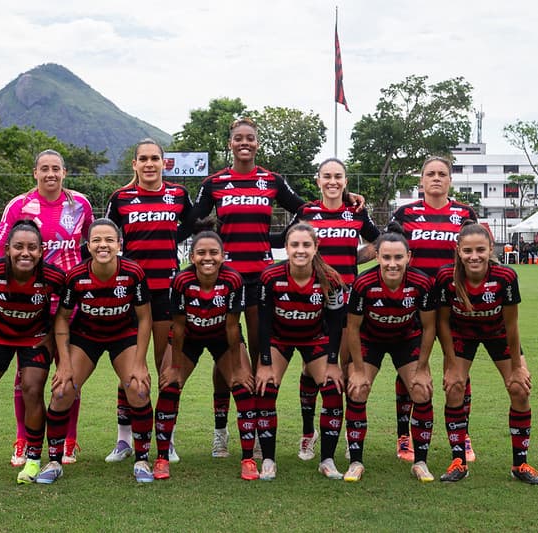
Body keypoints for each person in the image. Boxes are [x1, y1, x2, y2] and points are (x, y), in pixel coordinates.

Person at [188, 117, 363, 457]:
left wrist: (346, 197)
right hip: (224, 278)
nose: (244, 143)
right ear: (230, 143)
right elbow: (193, 219)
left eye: (250, 138)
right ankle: (221, 430)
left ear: (257, 143)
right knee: (226, 352)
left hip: (258, 279)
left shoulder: (272, 180)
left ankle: (252, 435)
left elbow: (306, 212)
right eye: (238, 138)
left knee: (256, 358)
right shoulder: (215, 183)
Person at [0, 149, 94, 467]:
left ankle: (68, 440)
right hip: (28, 300)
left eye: (56, 169)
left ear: (65, 172)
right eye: (44, 169)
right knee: (26, 377)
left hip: (68, 301)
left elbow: (88, 244)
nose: (51, 174)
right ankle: (23, 439)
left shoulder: (81, 204)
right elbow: (1, 243)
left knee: (69, 373)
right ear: (35, 173)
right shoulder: (19, 204)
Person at [272, 158, 379, 461]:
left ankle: (346, 434)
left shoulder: (356, 211)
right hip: (309, 301)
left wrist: (353, 259)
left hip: (344, 303)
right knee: (309, 369)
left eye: (338, 177)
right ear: (318, 180)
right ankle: (309, 433)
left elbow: (380, 241)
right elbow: (284, 241)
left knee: (340, 371)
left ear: (346, 181)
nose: (332, 181)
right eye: (327, 176)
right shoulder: (307, 212)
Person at [36, 219, 154, 484]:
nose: (103, 245)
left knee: (138, 388)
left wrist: (140, 362)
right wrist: (64, 363)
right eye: (97, 240)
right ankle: (54, 461)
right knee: (62, 390)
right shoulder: (76, 276)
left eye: (109, 240)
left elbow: (145, 318)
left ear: (119, 245)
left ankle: (142, 459)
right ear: (88, 245)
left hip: (123, 335)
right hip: (86, 336)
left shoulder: (133, 272)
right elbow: (63, 318)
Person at [103, 138, 192, 464]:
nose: (150, 163)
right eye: (144, 158)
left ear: (163, 163)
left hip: (167, 292)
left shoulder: (178, 195)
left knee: (167, 367)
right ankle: (124, 439)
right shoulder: (120, 198)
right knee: (129, 367)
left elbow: (193, 225)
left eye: (155, 158)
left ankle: (166, 441)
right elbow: (106, 237)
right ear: (135, 164)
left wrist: (167, 237)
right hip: (131, 292)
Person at [435, 221, 538, 485]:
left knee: (519, 388)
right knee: (454, 387)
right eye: (468, 250)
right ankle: (458, 460)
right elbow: (442, 323)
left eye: (480, 250)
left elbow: (511, 324)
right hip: (462, 334)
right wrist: (450, 364)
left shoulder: (505, 277)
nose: (474, 256)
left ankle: (520, 464)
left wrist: (518, 366)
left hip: (498, 335)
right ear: (458, 250)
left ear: (490, 249)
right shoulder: (446, 277)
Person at [152, 218, 258, 481]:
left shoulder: (233, 279)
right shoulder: (180, 281)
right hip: (188, 337)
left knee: (242, 385)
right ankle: (162, 458)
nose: (207, 258)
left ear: (223, 256)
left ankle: (247, 459)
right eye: (201, 253)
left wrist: (237, 368)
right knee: (169, 386)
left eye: (213, 253)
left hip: (223, 336)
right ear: (192, 256)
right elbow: (177, 327)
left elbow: (233, 327)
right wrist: (175, 366)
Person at [0, 220, 66, 485]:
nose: (25, 253)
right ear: (7, 249)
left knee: (32, 389)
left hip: (34, 338)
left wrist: (52, 335)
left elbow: (67, 306)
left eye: (32, 247)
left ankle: (33, 460)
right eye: (18, 247)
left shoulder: (53, 276)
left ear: (41, 251)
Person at [390, 155, 478, 463]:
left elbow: (475, 254)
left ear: (450, 180)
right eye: (431, 174)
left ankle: (462, 435)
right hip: (415, 305)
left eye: (442, 173)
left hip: (455, 303)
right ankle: (404, 436)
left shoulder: (465, 214)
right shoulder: (405, 214)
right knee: (410, 371)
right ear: (422, 180)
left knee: (458, 371)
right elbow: (388, 252)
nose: (436, 178)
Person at [345, 222, 437, 482]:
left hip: (406, 339)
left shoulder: (421, 282)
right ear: (377, 257)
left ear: (409, 257)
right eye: (386, 257)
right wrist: (359, 371)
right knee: (357, 389)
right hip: (370, 339)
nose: (392, 263)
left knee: (421, 389)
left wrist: (421, 368)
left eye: (398, 257)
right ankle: (355, 462)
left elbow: (429, 327)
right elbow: (352, 328)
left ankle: (420, 462)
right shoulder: (363, 283)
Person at [254, 223, 345, 480]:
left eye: (306, 245)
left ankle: (326, 459)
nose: (300, 250)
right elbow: (263, 322)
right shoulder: (270, 277)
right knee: (266, 387)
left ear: (316, 248)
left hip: (314, 338)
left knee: (333, 389)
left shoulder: (331, 279)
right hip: (279, 339)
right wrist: (263, 362)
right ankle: (269, 460)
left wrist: (333, 362)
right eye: (295, 245)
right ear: (286, 248)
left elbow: (337, 325)